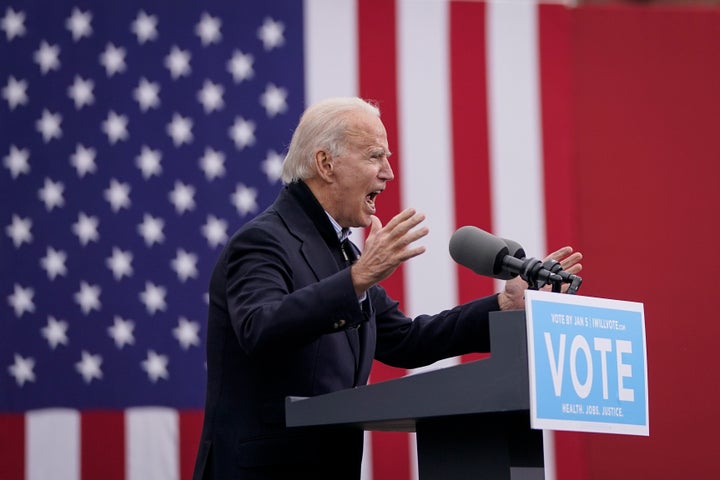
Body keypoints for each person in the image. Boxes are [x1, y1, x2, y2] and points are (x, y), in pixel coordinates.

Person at [192, 97, 582, 479]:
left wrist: (503, 305)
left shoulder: (340, 252)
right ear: (326, 164)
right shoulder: (264, 241)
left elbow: (408, 340)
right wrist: (358, 278)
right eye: (375, 156)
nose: (388, 173)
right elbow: (259, 328)